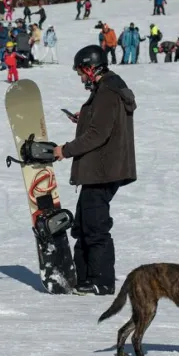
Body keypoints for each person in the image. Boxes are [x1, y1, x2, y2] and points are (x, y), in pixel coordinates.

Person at [53, 46, 137, 295]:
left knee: (95, 226)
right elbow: (104, 122)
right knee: (83, 224)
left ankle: (101, 281)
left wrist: (65, 150)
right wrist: (86, 115)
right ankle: (85, 277)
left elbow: (98, 134)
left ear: (90, 69)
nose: (80, 78)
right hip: (101, 170)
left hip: (103, 170)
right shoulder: (107, 89)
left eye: (81, 72)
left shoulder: (108, 91)